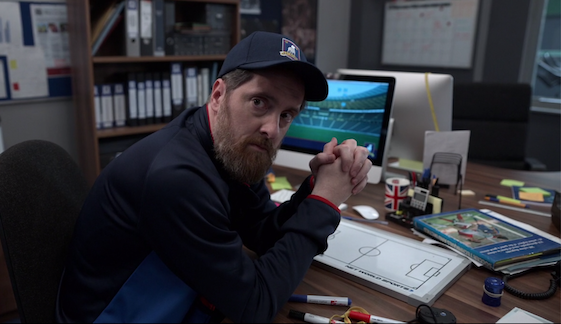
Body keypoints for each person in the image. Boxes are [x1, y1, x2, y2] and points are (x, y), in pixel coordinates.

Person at [56, 31, 372, 323]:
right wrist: (324, 203)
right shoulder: (176, 177)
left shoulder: (227, 144)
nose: (272, 129)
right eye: (259, 102)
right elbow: (255, 307)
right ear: (219, 95)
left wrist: (314, 188)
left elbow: (263, 233)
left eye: (286, 114)